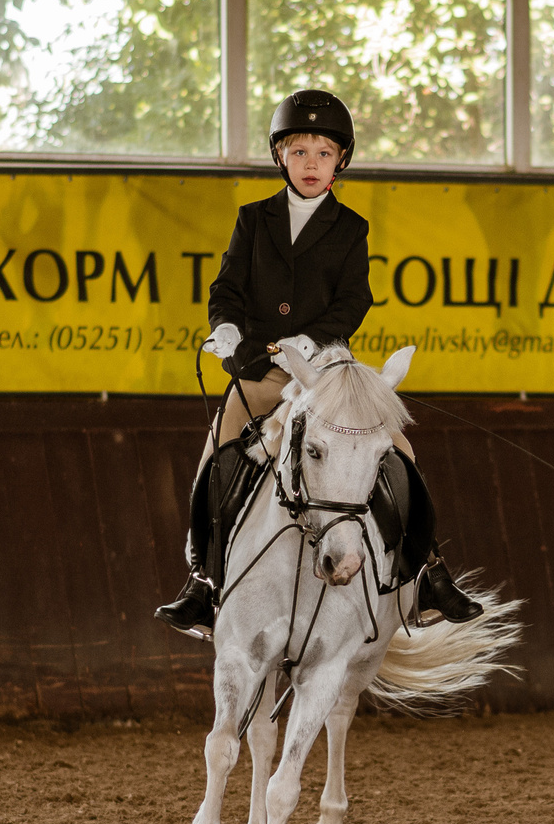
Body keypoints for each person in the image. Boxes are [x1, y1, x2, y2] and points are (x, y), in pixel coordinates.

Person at [155, 89, 482, 638]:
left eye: (324, 153)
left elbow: (354, 300)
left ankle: (429, 572)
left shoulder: (351, 228)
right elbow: (227, 288)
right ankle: (202, 583)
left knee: (401, 451)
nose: (311, 163)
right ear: (280, 156)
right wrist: (227, 327)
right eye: (300, 151)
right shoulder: (252, 219)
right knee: (215, 458)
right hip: (261, 371)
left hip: (325, 372)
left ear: (340, 161)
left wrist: (311, 339)